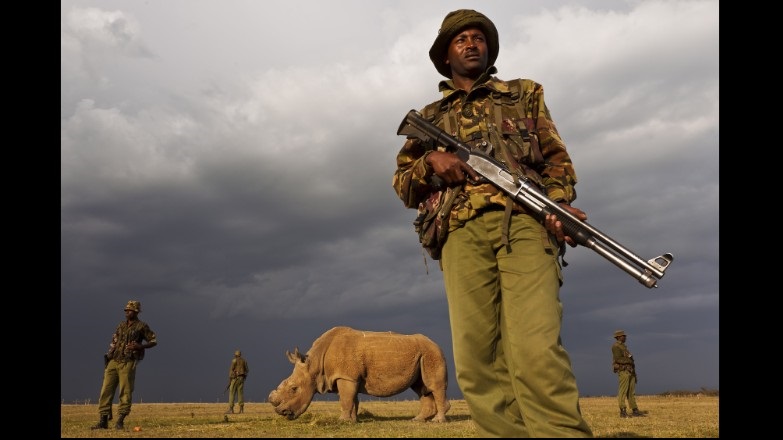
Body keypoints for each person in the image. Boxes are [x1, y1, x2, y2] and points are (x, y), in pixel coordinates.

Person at [392, 9, 592, 437]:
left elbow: (558, 163)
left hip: (524, 223)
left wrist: (557, 207)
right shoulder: (429, 116)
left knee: (536, 349)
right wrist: (430, 161)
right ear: (446, 55)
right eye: (460, 39)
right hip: (459, 232)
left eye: (478, 37)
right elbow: (403, 185)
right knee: (476, 359)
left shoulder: (524, 94)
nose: (471, 43)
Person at [91, 300, 158, 430]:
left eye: (130, 310)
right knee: (105, 391)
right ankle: (103, 421)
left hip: (128, 362)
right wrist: (109, 355)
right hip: (113, 361)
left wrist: (140, 346)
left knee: (125, 392)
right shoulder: (121, 325)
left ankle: (120, 421)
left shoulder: (142, 326)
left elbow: (153, 340)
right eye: (126, 310)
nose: (127, 312)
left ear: (136, 311)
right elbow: (114, 341)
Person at [611, 330, 644, 418]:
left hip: (630, 370)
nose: (625, 337)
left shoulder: (624, 347)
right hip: (624, 371)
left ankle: (635, 410)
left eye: (624, 336)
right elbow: (618, 359)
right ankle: (623, 411)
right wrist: (629, 361)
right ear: (618, 337)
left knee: (631, 392)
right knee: (623, 391)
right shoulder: (616, 346)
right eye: (623, 336)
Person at [225, 349, 249, 414]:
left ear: (235, 355)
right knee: (240, 393)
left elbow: (231, 371)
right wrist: (243, 376)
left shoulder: (234, 360)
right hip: (241, 379)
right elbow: (247, 370)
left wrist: (230, 380)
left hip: (235, 379)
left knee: (232, 393)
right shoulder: (244, 361)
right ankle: (241, 409)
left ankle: (231, 409)